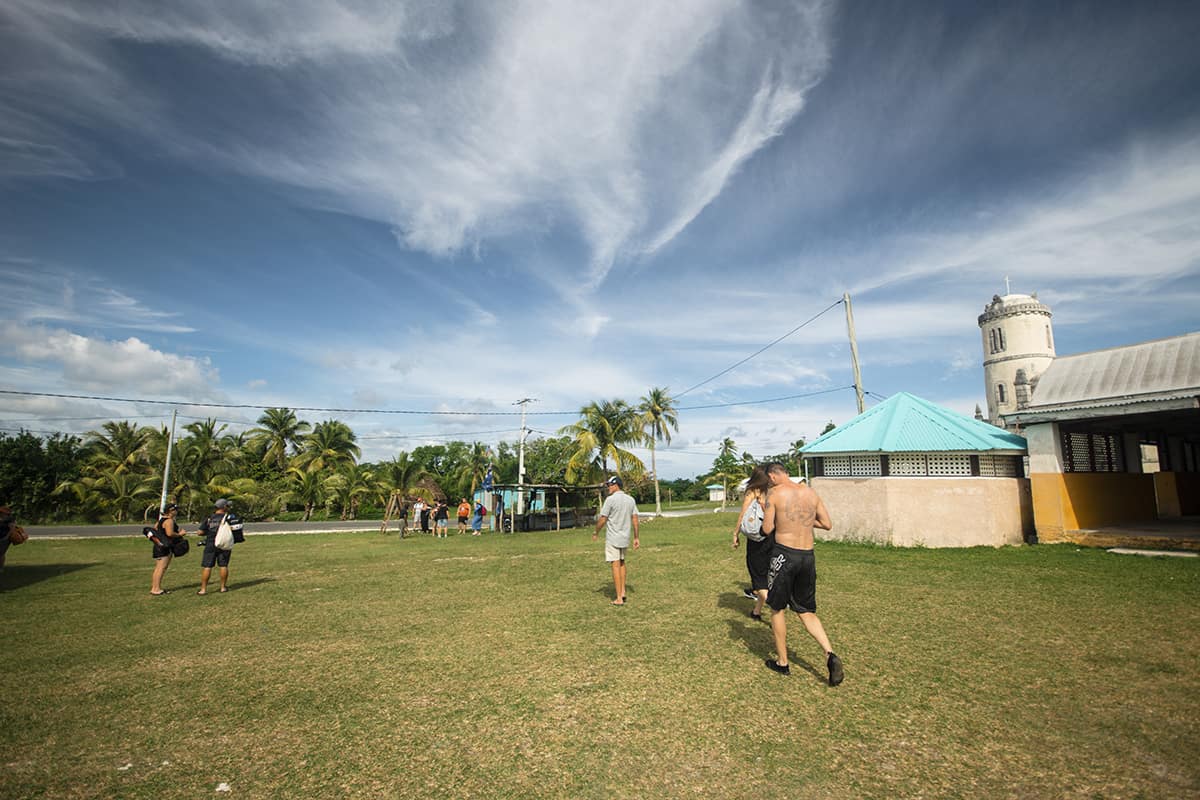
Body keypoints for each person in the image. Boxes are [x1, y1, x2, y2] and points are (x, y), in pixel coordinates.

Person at [760, 462, 844, 685]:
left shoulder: (775, 493)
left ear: (772, 476)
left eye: (768, 478)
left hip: (785, 555)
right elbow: (827, 524)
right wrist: (803, 520)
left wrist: (771, 516)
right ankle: (830, 653)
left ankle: (782, 662)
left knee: (777, 608)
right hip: (808, 555)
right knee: (806, 611)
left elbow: (767, 529)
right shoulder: (810, 492)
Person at [732, 465, 772, 621]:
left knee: (758, 578)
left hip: (756, 538)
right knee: (767, 576)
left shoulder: (753, 491)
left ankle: (777, 605)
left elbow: (743, 513)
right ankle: (756, 611)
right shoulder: (773, 490)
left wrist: (736, 533)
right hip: (772, 536)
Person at [593, 476, 639, 606]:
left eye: (610, 485)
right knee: (622, 563)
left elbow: (603, 519)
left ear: (616, 485)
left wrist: (596, 532)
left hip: (613, 538)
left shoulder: (610, 500)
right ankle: (623, 592)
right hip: (625, 538)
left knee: (615, 565)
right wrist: (636, 537)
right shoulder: (630, 500)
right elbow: (635, 519)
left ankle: (619, 598)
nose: (608, 488)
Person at [197, 498, 238, 595]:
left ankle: (203, 589)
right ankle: (223, 587)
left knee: (207, 566)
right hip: (224, 543)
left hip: (210, 543)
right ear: (224, 507)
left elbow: (200, 532)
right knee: (223, 565)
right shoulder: (229, 517)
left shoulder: (209, 518)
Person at [150, 503, 188, 596]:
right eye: (175, 510)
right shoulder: (169, 521)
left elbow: (155, 529)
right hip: (165, 547)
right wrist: (180, 534)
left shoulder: (160, 520)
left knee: (158, 568)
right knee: (162, 568)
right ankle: (156, 589)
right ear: (171, 511)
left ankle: (155, 587)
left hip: (158, 546)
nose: (176, 512)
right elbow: (170, 533)